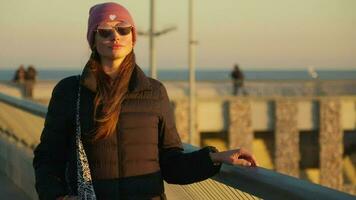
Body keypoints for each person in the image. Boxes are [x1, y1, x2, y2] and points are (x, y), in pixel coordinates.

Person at [33, 2, 257, 200]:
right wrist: (56, 196)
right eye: (105, 32)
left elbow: (171, 165)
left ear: (133, 38)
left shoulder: (154, 92)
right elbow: (47, 158)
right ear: (93, 40)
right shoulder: (70, 91)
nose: (115, 37)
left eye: (123, 29)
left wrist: (215, 158)